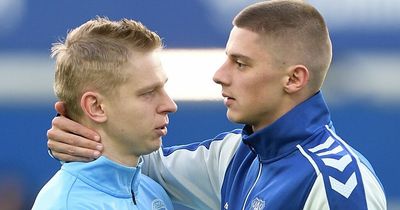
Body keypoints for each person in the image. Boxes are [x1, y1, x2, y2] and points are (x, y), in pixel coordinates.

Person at [47, 1, 387, 209]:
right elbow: (129, 162)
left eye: (241, 64)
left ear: (294, 79)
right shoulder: (234, 157)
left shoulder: (336, 185)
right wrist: (82, 133)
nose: (219, 75)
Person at [33, 17, 176, 209]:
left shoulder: (153, 193)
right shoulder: (68, 205)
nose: (170, 105)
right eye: (148, 93)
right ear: (96, 107)